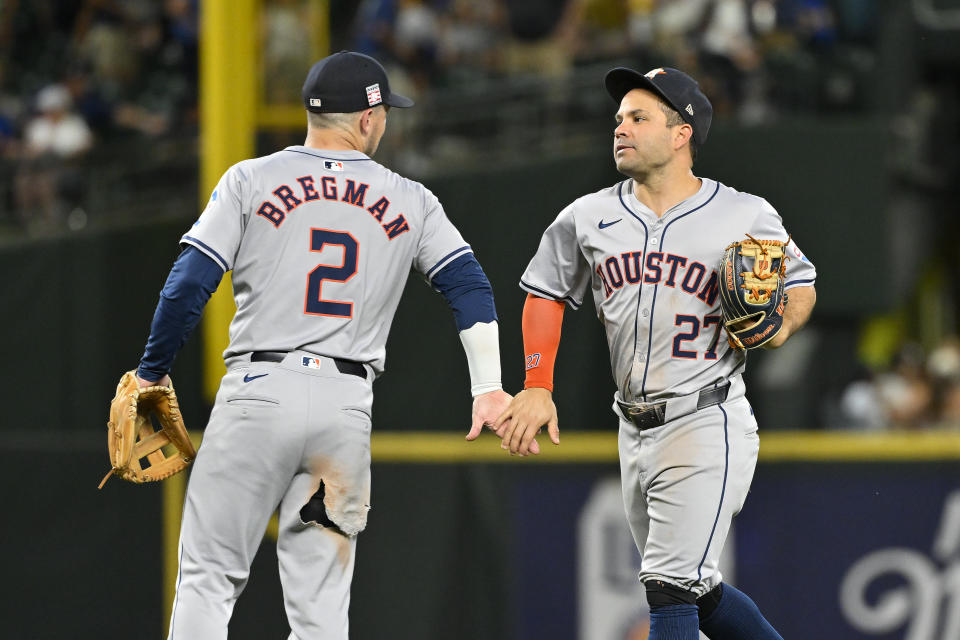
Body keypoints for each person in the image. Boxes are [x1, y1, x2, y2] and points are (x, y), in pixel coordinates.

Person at [132, 51, 511, 639]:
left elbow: (189, 283)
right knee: (321, 609)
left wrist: (152, 372)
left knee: (209, 576)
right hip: (343, 409)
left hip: (258, 393)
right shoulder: (411, 199)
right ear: (364, 118)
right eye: (383, 111)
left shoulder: (250, 179)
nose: (384, 122)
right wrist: (487, 387)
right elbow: (469, 285)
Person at [494, 66, 817, 639]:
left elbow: (800, 284)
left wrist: (782, 327)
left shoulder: (744, 214)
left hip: (705, 415)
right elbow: (544, 293)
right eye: (618, 118)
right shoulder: (588, 215)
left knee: (667, 586)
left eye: (638, 117)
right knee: (700, 592)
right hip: (633, 425)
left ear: (680, 133)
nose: (620, 128)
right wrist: (537, 384)